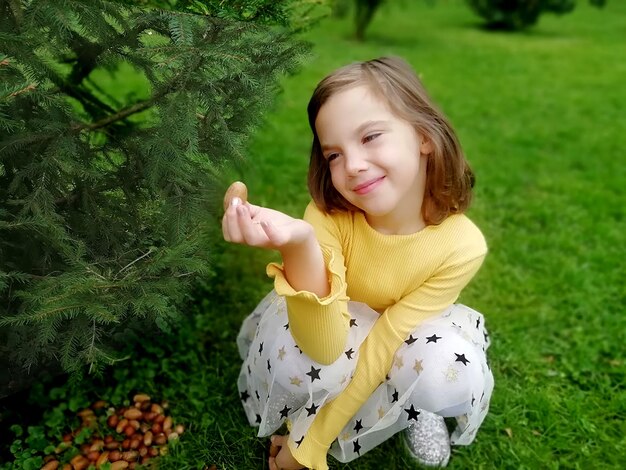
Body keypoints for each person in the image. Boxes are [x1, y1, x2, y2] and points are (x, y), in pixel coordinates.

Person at [222, 56, 493, 470]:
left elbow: (386, 341)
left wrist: (309, 446)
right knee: (301, 358)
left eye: (370, 137)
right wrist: (300, 245)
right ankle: (315, 404)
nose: (352, 166)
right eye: (333, 154)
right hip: (334, 322)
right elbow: (325, 345)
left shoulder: (462, 246)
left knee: (444, 369)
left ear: (423, 134)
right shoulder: (327, 218)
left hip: (407, 335)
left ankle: (417, 406)